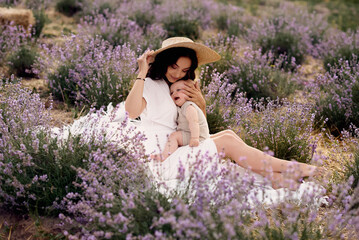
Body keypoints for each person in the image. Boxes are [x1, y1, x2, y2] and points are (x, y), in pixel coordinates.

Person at [125, 37, 320, 189]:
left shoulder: (178, 88)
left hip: (180, 146)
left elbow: (200, 128)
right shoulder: (150, 85)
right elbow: (131, 112)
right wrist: (142, 72)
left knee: (228, 135)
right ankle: (298, 169)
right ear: (164, 62)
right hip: (162, 157)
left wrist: (201, 104)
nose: (177, 74)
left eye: (184, 70)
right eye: (173, 66)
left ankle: (276, 178)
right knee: (226, 142)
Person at [152, 80, 210, 161]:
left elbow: (194, 122)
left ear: (190, 93)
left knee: (174, 136)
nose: (174, 93)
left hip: (198, 135)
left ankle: (164, 156)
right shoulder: (182, 107)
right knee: (175, 136)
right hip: (192, 133)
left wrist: (194, 138)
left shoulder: (188, 107)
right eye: (171, 93)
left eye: (178, 90)